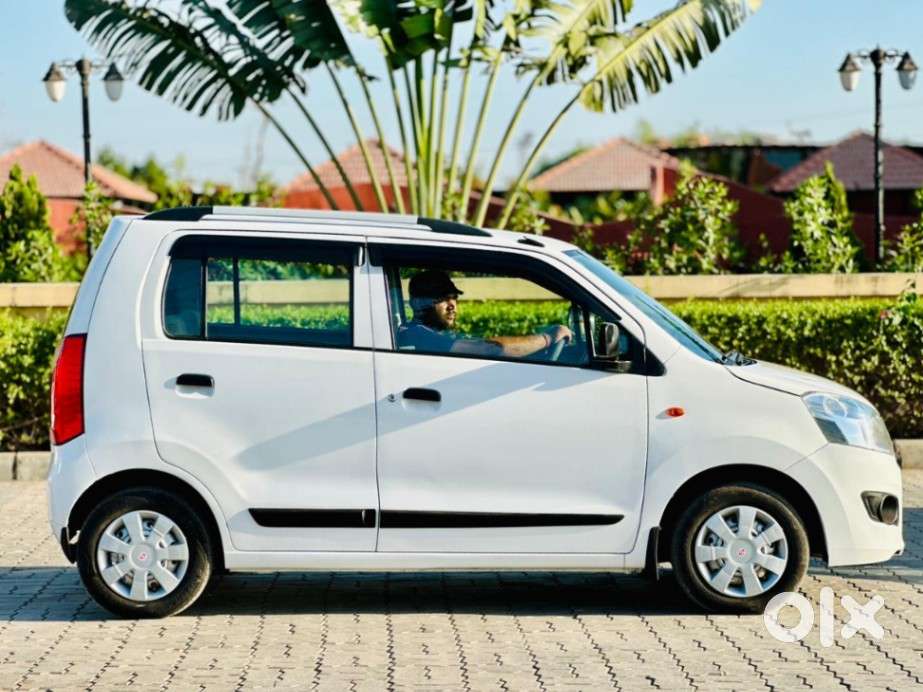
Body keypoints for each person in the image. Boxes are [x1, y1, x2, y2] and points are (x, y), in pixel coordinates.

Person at [397, 269, 573, 359]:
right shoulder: (416, 334)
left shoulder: (435, 334)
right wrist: (547, 338)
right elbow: (489, 349)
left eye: (454, 298)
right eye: (441, 299)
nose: (452, 305)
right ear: (417, 303)